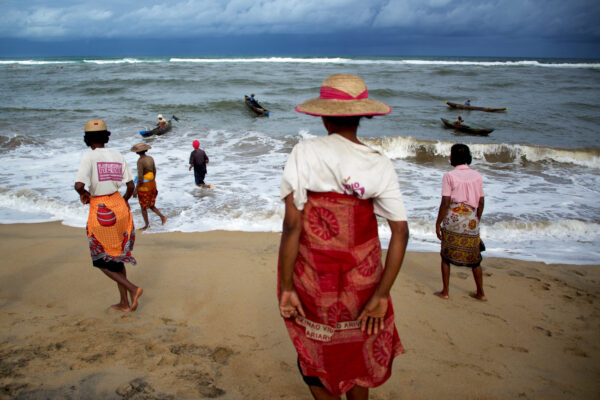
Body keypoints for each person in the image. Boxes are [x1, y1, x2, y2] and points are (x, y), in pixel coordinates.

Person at [278, 73, 409, 399]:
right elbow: (400, 233)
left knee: (316, 355)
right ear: (363, 115)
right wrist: (381, 294)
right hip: (362, 283)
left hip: (314, 280)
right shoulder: (379, 163)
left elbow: (292, 226)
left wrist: (286, 288)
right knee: (359, 351)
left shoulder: (305, 153)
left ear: (322, 115)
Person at [74, 119, 143, 312]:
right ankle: (124, 302)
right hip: (119, 206)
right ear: (106, 136)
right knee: (117, 258)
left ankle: (133, 288)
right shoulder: (117, 155)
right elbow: (130, 186)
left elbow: (79, 185)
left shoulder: (89, 157)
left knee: (101, 260)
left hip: (102, 209)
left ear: (87, 139)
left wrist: (83, 194)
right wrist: (124, 202)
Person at [434, 143, 486, 301]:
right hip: (471, 218)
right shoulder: (477, 176)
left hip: (453, 218)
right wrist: (476, 219)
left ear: (453, 157)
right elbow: (481, 202)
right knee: (475, 259)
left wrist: (438, 224)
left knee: (446, 256)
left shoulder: (449, 176)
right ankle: (480, 293)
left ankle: (445, 292)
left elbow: (445, 202)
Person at [130, 142, 167, 230]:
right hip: (152, 183)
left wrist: (135, 190)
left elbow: (140, 177)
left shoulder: (140, 161)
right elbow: (154, 171)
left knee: (143, 207)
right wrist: (152, 181)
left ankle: (147, 225)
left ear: (137, 152)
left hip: (144, 186)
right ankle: (162, 217)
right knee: (151, 204)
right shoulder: (150, 158)